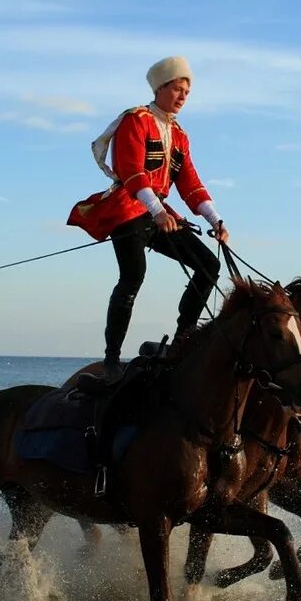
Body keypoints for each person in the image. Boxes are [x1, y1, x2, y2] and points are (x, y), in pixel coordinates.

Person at [67, 56, 229, 380]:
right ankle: (112, 358)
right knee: (133, 275)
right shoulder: (135, 120)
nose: (183, 96)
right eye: (177, 89)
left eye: (187, 91)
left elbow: (190, 183)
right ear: (160, 87)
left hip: (161, 213)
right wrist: (156, 211)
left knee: (209, 265)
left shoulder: (180, 136)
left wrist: (216, 220)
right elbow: (132, 171)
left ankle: (183, 339)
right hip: (129, 208)